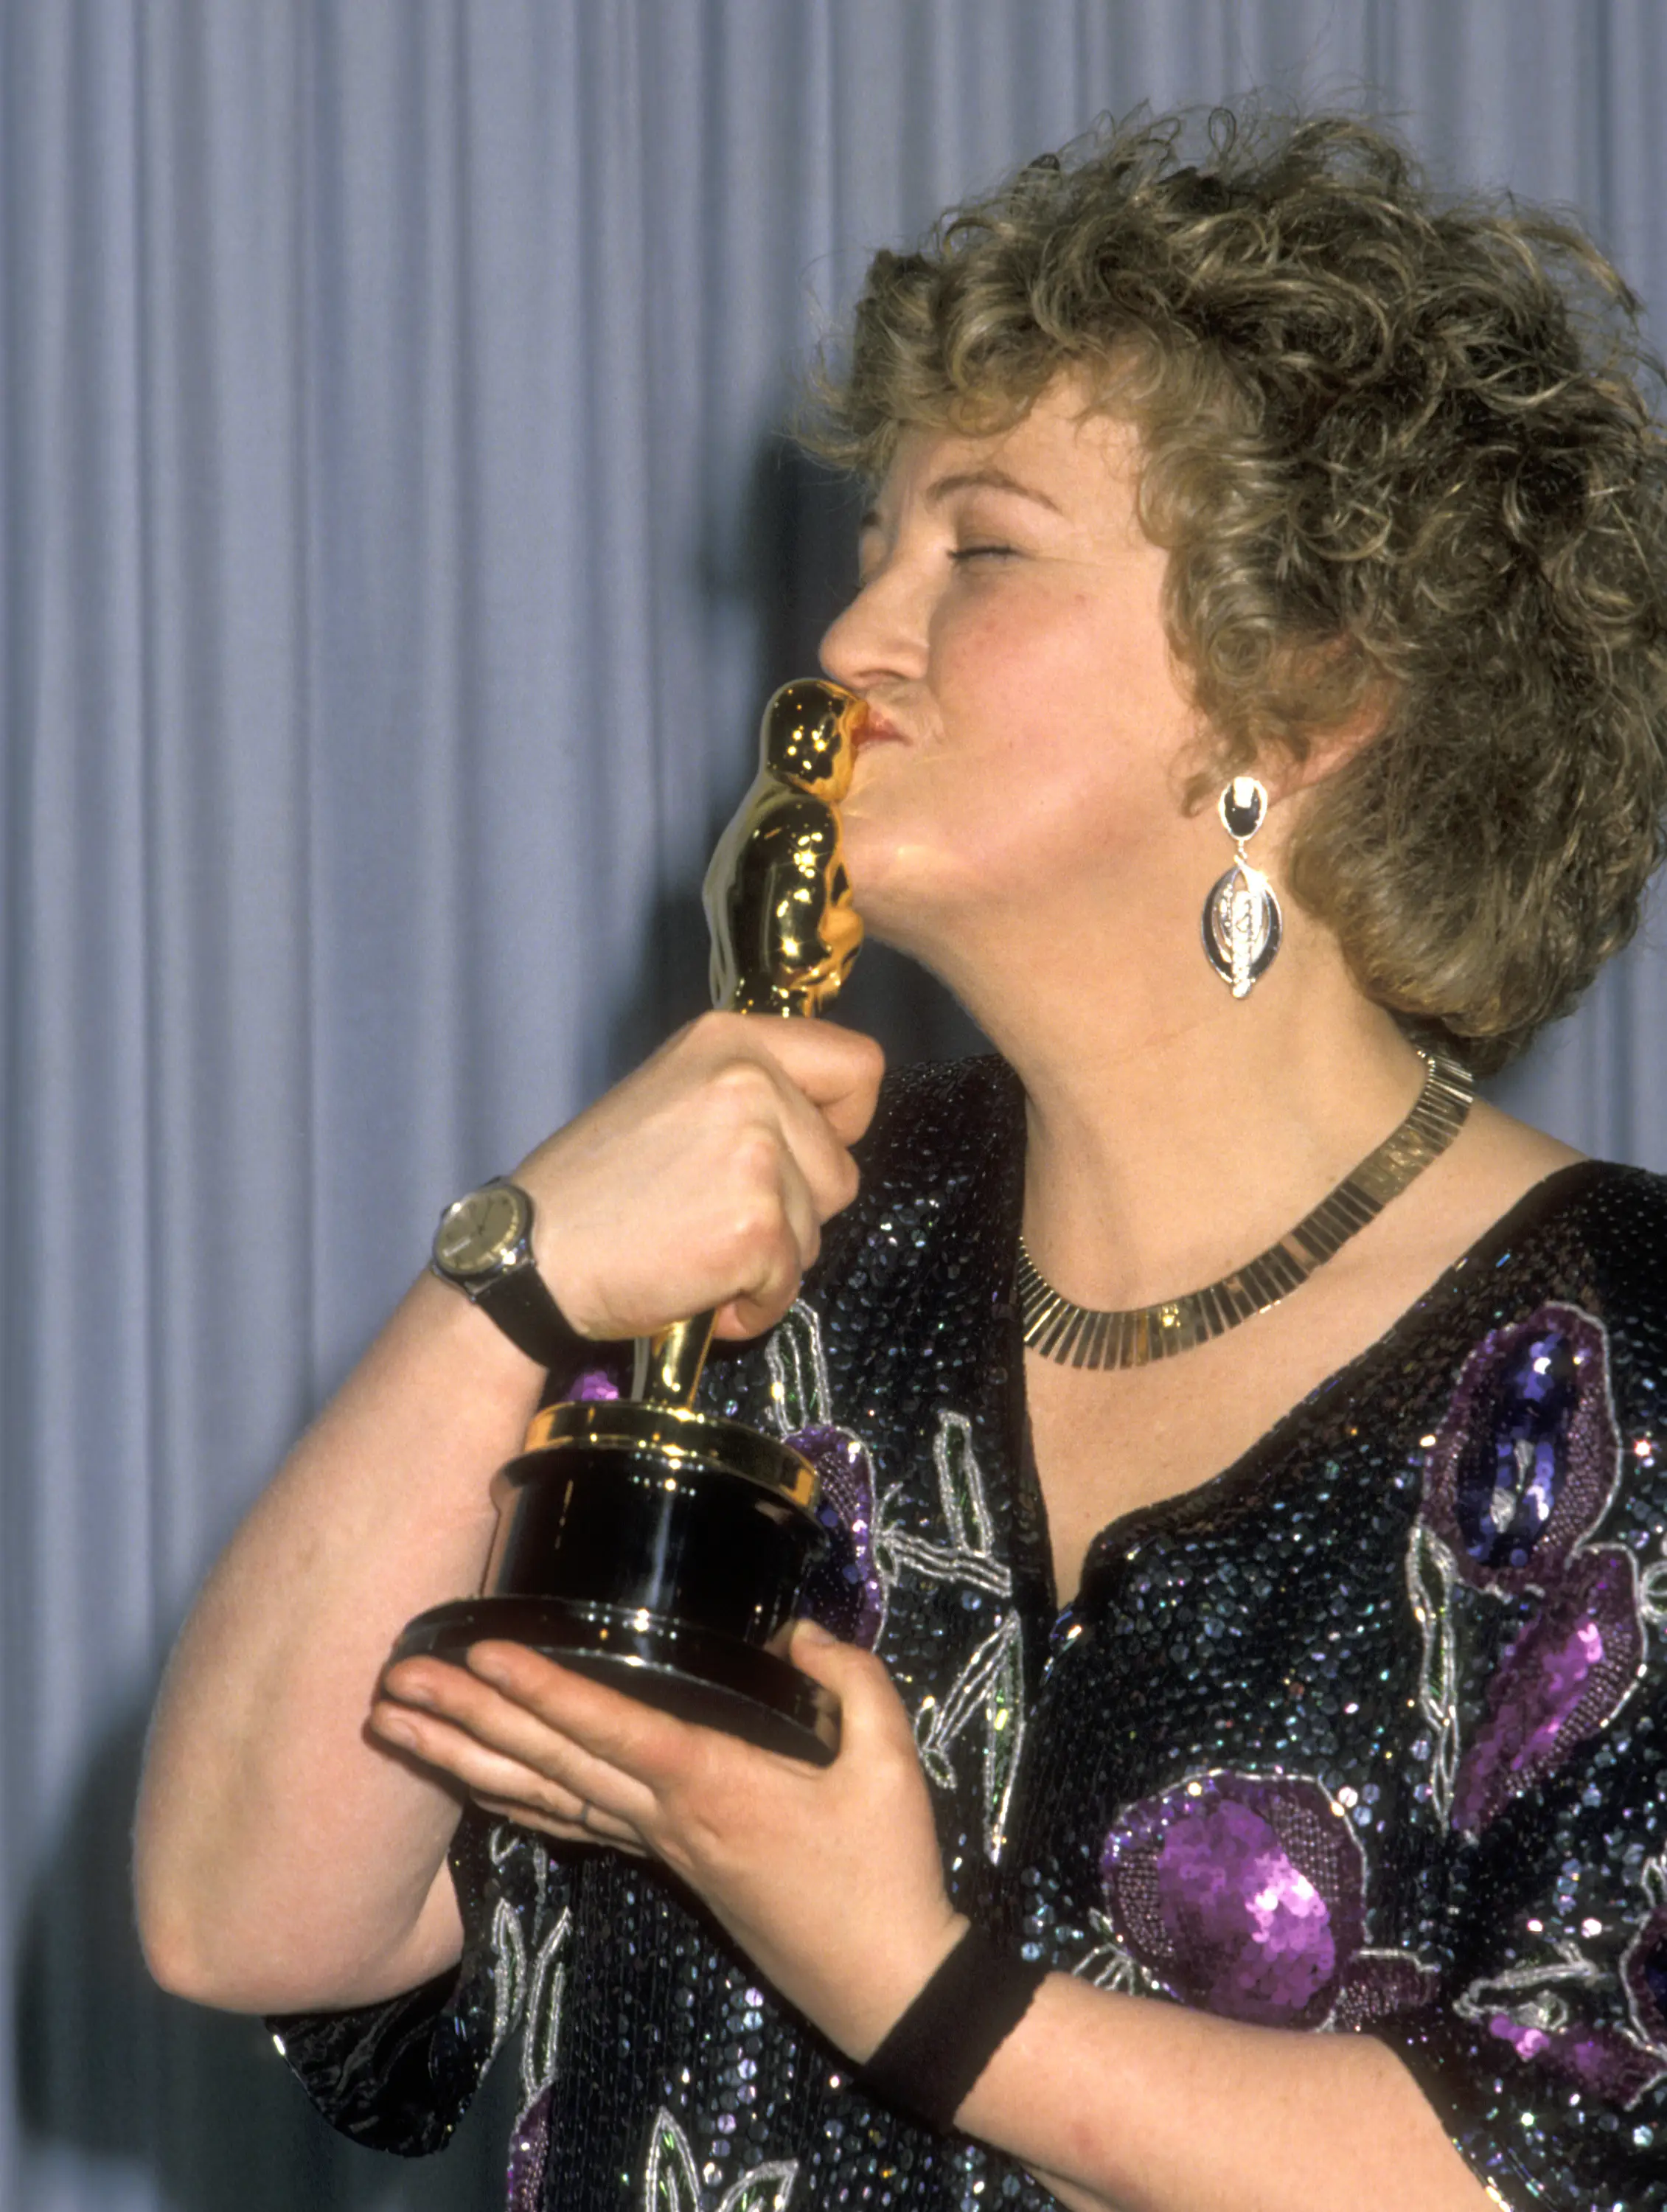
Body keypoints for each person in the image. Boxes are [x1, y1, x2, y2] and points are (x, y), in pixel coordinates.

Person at [133, 107, 1667, 2211]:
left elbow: (1585, 2153)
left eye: (981, 548)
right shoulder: (777, 1279)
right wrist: (508, 1281)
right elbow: (255, 1925)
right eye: (875, 550)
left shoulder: (1619, 1364)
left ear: (1306, 694)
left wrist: (914, 1985)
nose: (851, 641)